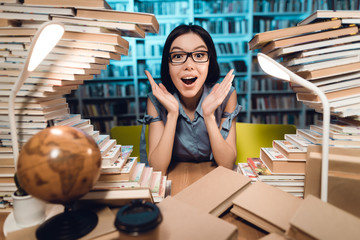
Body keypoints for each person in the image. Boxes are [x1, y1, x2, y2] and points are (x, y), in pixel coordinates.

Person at [139, 24, 241, 174]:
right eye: (178, 56)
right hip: (177, 180)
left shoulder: (226, 96)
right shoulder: (155, 100)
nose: (189, 66)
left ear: (209, 61)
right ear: (167, 64)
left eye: (199, 55)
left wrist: (209, 116)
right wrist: (172, 114)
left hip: (214, 180)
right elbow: (158, 169)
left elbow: (226, 165)